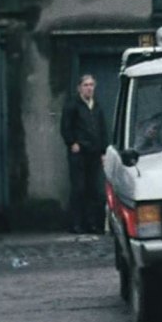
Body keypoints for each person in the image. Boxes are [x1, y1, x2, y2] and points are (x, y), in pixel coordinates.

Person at [60, 74, 108, 234]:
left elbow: (102, 129)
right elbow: (65, 126)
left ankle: (93, 224)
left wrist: (103, 151)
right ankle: (76, 224)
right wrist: (72, 142)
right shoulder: (72, 105)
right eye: (86, 85)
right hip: (79, 153)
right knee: (79, 189)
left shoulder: (97, 107)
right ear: (79, 88)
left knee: (94, 190)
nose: (89, 88)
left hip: (94, 153)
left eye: (91, 85)